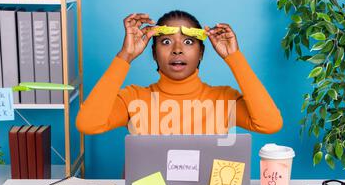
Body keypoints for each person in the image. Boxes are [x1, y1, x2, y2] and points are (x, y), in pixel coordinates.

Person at [76, 10, 283, 136]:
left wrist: (234, 57)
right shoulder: (133, 99)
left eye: (188, 41)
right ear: (154, 53)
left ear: (201, 52)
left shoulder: (223, 99)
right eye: (166, 42)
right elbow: (88, 124)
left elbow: (270, 124)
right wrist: (126, 56)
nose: (177, 49)